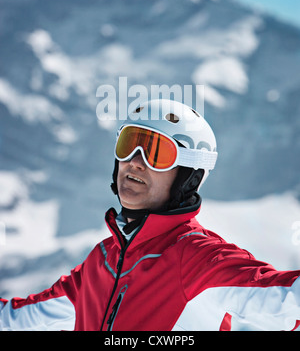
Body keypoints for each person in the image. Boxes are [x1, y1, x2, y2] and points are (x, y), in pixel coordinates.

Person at [1, 98, 300, 331]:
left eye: (156, 153)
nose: (135, 163)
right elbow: (19, 317)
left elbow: (285, 298)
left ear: (189, 177)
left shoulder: (198, 259)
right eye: (129, 145)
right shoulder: (101, 260)